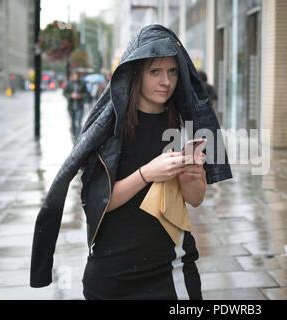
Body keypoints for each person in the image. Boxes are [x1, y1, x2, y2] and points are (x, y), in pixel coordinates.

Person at [30, 25, 232, 299]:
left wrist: (191, 179)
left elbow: (195, 199)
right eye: (155, 72)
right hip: (112, 274)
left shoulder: (184, 126)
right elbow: (96, 203)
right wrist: (148, 173)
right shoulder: (108, 131)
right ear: (135, 71)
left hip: (171, 268)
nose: (166, 82)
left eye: (173, 71)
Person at [63, 71, 90, 138]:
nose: (75, 77)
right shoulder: (69, 84)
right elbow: (64, 93)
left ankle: (78, 136)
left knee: (78, 121)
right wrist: (71, 96)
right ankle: (73, 134)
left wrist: (80, 95)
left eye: (76, 76)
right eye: (74, 76)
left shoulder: (82, 84)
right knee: (72, 122)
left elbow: (86, 93)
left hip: (79, 106)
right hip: (71, 106)